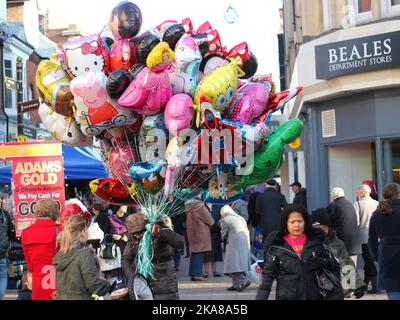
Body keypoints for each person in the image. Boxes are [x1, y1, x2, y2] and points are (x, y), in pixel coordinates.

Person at [256, 204, 341, 300]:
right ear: (285, 223)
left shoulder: (316, 241)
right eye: (292, 222)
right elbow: (267, 279)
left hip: (314, 295)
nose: (296, 225)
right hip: (287, 296)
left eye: (300, 221)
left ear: (305, 221)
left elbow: (335, 267)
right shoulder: (277, 246)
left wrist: (324, 262)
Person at [122, 212, 184, 300]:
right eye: (133, 234)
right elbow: (126, 259)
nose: (136, 236)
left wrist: (162, 228)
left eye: (139, 232)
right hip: (144, 279)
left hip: (164, 276)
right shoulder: (133, 239)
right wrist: (133, 277)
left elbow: (179, 243)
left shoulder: (159, 230)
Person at [311, 208, 365, 299]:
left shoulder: (336, 243)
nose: (321, 230)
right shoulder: (307, 243)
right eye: (317, 227)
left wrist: (356, 285)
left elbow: (346, 264)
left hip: (333, 286)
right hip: (312, 288)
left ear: (329, 228)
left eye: (324, 227)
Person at [53, 215, 111, 300]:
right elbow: (94, 285)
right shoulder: (84, 254)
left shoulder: (59, 255)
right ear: (83, 232)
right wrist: (107, 284)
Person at [21, 198, 60, 300]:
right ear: (54, 212)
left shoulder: (25, 232)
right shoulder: (60, 230)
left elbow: (29, 265)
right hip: (57, 280)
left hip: (38, 282)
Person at [368, 183, 400, 300]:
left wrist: (377, 256)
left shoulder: (377, 214)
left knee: (394, 292)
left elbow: (371, 240)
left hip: (387, 257)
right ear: (398, 194)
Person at [354, 184, 379, 293]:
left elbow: (356, 222)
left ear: (362, 193)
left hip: (363, 237)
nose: (357, 194)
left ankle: (374, 287)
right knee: (370, 259)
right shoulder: (376, 203)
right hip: (377, 236)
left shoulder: (357, 204)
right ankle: (366, 283)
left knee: (368, 260)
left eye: (358, 192)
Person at [220, 205, 251, 292]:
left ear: (223, 213)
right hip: (244, 243)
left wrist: (223, 239)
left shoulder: (226, 219)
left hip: (234, 244)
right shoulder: (238, 217)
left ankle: (243, 281)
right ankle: (236, 284)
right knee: (236, 263)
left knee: (235, 263)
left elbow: (223, 234)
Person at [327, 187, 362, 258]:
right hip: (353, 242)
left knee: (341, 266)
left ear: (333, 196)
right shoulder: (350, 204)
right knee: (351, 266)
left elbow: (327, 222)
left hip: (341, 242)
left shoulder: (333, 205)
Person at [185, 198, 214, 281]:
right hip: (200, 233)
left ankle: (193, 273)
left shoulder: (189, 206)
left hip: (192, 232)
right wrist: (209, 210)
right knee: (199, 254)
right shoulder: (199, 207)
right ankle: (198, 274)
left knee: (194, 253)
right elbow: (210, 220)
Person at [0, 198, 15, 300]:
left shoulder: (5, 214)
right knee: (3, 278)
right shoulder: (5, 214)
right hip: (2, 253)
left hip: (2, 253)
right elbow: (11, 231)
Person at [203, 204, 223, 278]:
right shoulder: (203, 206)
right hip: (206, 232)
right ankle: (206, 271)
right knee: (206, 252)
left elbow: (221, 218)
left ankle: (215, 271)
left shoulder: (217, 206)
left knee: (215, 252)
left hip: (216, 232)